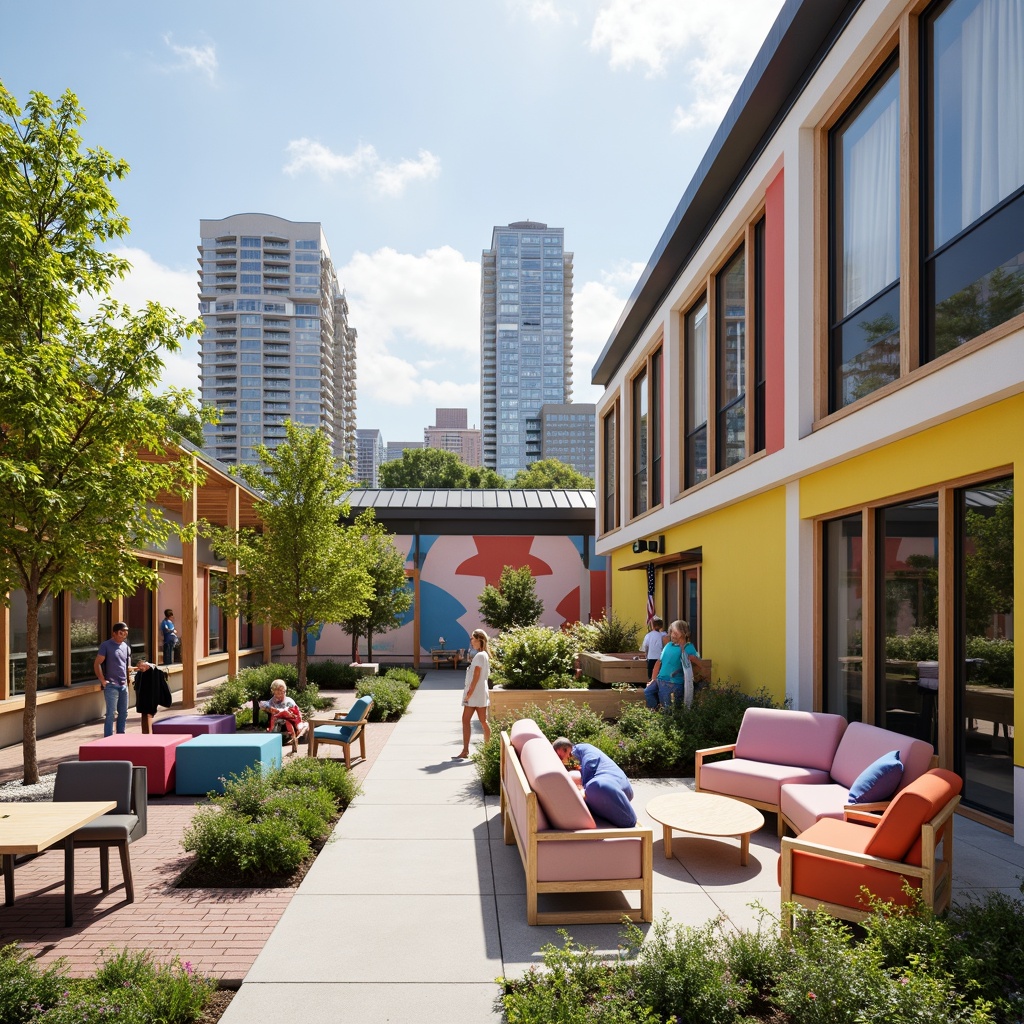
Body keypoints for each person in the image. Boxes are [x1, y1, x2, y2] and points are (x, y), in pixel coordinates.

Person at [93, 622, 146, 736]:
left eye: (125, 633)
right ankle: (108, 738)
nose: (123, 636)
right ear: (114, 633)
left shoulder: (126, 647)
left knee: (124, 713)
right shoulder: (106, 645)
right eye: (121, 633)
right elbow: (97, 663)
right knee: (111, 714)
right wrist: (102, 680)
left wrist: (138, 668)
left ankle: (120, 737)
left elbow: (126, 666)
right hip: (111, 685)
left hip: (123, 685)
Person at [457, 628, 491, 759]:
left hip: (475, 693)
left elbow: (476, 676)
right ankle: (486, 750)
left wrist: (469, 694)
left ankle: (465, 751)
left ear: (479, 640)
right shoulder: (483, 655)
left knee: (466, 720)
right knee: (483, 721)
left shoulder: (479, 656)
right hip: (481, 693)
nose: (471, 641)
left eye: (472, 638)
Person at [645, 619, 694, 710]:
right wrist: (653, 679)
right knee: (648, 691)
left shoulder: (688, 647)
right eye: (671, 632)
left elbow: (694, 665)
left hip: (673, 682)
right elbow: (658, 662)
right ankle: (654, 714)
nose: (672, 634)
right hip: (660, 680)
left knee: (668, 707)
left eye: (675, 632)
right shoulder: (668, 646)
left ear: (684, 632)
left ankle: (666, 717)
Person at [259, 679, 308, 753]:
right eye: (277, 692)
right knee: (277, 720)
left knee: (289, 722)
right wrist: (270, 709)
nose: (280, 694)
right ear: (273, 692)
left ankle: (294, 738)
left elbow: (297, 713)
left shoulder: (289, 701)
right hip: (276, 724)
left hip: (290, 723)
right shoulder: (271, 701)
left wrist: (290, 713)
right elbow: (262, 704)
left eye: (282, 692)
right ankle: (287, 739)